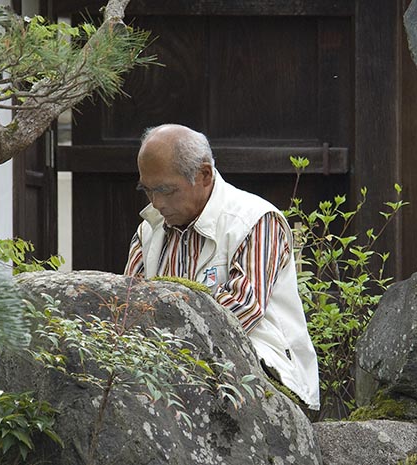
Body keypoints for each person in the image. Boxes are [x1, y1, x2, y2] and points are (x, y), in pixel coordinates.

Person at [124, 124, 320, 410]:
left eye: (166, 190)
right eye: (149, 190)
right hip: (174, 372)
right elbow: (130, 307)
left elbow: (241, 310)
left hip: (266, 373)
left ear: (204, 175)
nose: (156, 202)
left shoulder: (255, 219)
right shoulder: (149, 229)